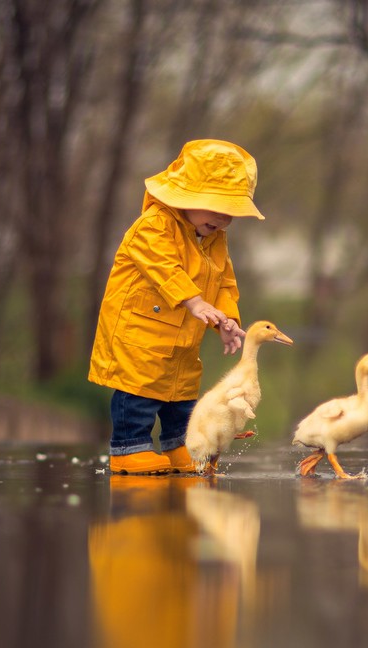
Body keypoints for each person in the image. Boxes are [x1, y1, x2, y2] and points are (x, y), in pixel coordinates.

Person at [88, 139, 265, 474]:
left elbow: (225, 281)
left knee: (181, 396)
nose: (224, 220)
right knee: (138, 391)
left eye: (231, 213)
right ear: (188, 196)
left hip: (183, 336)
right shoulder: (153, 225)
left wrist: (225, 320)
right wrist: (194, 300)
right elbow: (163, 267)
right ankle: (128, 448)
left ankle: (178, 445)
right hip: (140, 331)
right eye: (217, 208)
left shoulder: (212, 239)